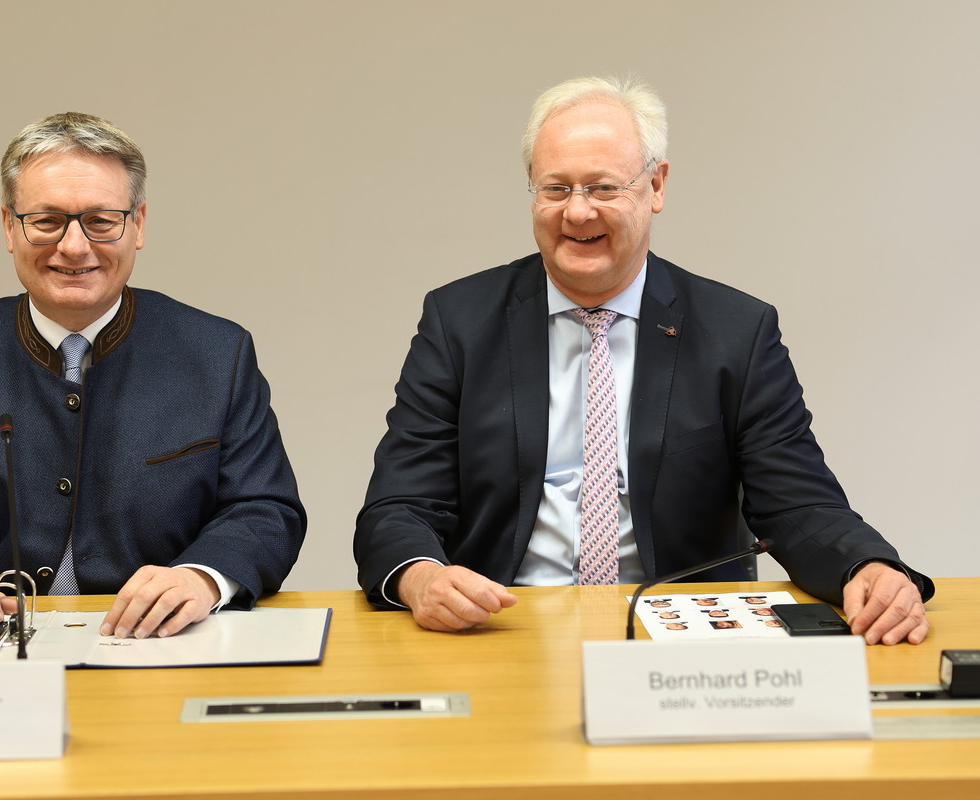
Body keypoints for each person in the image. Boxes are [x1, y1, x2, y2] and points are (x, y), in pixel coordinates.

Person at [353, 76, 933, 644]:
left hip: (680, 637)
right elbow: (398, 505)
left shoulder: (738, 333)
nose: (577, 213)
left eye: (603, 188)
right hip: (502, 626)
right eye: (555, 189)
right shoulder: (459, 321)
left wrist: (868, 566)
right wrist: (421, 577)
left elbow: (799, 503)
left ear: (656, 186)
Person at [0, 112, 306, 642]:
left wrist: (200, 579)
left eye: (102, 220)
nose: (75, 246)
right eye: (47, 220)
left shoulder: (218, 354)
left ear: (139, 225)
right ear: (9, 228)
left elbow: (265, 511)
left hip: (157, 645)